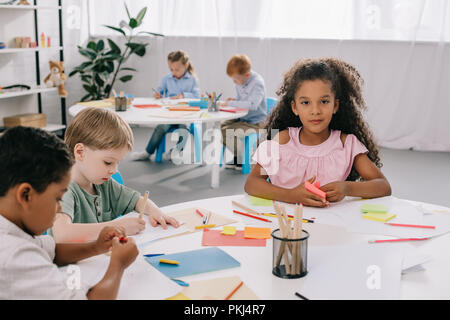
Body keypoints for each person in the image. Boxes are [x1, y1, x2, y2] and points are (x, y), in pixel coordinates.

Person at [0, 126, 138, 299]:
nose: (59, 208)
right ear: (26, 195)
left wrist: (95, 246)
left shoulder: (11, 228)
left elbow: (52, 252)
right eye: (57, 198)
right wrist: (118, 264)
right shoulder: (14, 256)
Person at [245, 57, 391, 206]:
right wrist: (291, 195)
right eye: (306, 103)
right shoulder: (282, 140)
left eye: (324, 101)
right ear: (295, 107)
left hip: (331, 223)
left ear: (335, 105)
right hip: (285, 224)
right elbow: (252, 183)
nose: (315, 111)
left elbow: (383, 186)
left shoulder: (346, 144)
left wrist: (347, 188)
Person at [50, 107, 180, 243]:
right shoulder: (63, 190)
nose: (114, 170)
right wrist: (116, 227)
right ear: (80, 152)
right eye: (108, 162)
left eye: (117, 163)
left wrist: (154, 211)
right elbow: (62, 235)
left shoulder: (103, 184)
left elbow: (137, 201)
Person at [131, 50, 200, 162]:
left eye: (176, 69)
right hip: (169, 113)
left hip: (185, 114)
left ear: (186, 66)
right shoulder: (167, 78)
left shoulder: (192, 80)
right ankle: (148, 152)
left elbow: (197, 97)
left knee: (184, 129)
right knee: (161, 127)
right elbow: (159, 90)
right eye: (171, 69)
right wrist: (157, 94)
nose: (173, 72)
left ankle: (176, 151)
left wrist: (183, 95)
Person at [221, 54, 267, 170]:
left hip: (256, 122)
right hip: (244, 118)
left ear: (247, 75)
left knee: (227, 131)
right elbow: (242, 100)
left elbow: (252, 104)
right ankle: (239, 156)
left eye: (236, 79)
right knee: (222, 125)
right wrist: (234, 101)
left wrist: (231, 104)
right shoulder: (240, 82)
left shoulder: (257, 83)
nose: (234, 82)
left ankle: (244, 157)